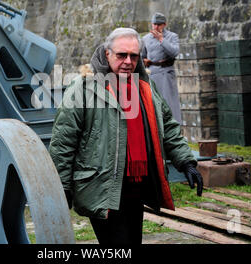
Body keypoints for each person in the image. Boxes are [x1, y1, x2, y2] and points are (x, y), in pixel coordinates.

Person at [49, 28, 203, 244]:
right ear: (107, 54)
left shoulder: (145, 89)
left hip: (137, 185)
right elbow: (64, 141)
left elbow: (167, 126)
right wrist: (62, 187)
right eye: (122, 55)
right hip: (102, 186)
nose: (128, 61)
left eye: (134, 55)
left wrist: (186, 162)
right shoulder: (83, 88)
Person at [142, 12, 182, 124]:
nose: (155, 27)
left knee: (169, 102)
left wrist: (161, 39)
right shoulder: (146, 39)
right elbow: (142, 56)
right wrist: (144, 61)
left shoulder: (172, 36)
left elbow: (174, 52)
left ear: (164, 24)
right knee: (153, 103)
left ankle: (173, 126)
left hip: (166, 73)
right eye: (154, 24)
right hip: (152, 73)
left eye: (158, 24)